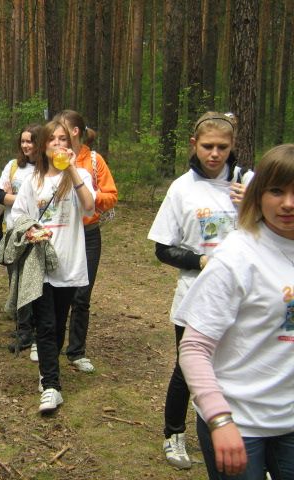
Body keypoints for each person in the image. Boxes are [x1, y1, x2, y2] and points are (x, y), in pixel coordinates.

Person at [177, 144, 294, 479]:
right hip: (240, 421)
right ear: (258, 195)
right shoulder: (237, 256)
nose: (288, 203)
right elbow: (194, 348)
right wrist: (219, 419)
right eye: (276, 191)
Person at [147, 112, 253, 469]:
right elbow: (163, 247)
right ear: (194, 145)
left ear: (232, 146)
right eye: (208, 146)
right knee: (188, 368)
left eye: (222, 147)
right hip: (195, 295)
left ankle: (237, 430)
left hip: (245, 295)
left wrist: (252, 204)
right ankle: (173, 433)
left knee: (239, 363)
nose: (215, 154)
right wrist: (202, 262)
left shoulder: (249, 184)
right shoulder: (182, 189)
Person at [10, 120, 95, 413]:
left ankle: (48, 370)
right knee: (45, 324)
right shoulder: (34, 181)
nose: (58, 144)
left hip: (69, 263)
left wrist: (71, 170)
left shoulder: (80, 174)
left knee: (59, 324)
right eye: (52, 140)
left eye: (63, 140)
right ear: (43, 147)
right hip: (41, 261)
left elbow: (90, 207)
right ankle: (50, 386)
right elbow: (17, 217)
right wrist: (31, 230)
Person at [54, 110, 118, 373]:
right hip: (60, 233)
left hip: (88, 235)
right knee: (55, 292)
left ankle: (76, 351)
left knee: (82, 295)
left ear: (75, 132)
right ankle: (48, 345)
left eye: (63, 130)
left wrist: (89, 200)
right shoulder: (53, 157)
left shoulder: (94, 160)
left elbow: (111, 195)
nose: (58, 136)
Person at [0, 124, 42, 356]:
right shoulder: (13, 167)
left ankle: (35, 329)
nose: (26, 145)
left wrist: (20, 199)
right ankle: (23, 329)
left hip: (38, 235)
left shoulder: (47, 169)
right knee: (16, 281)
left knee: (35, 283)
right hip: (13, 232)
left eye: (30, 141)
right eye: (23, 141)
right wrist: (22, 200)